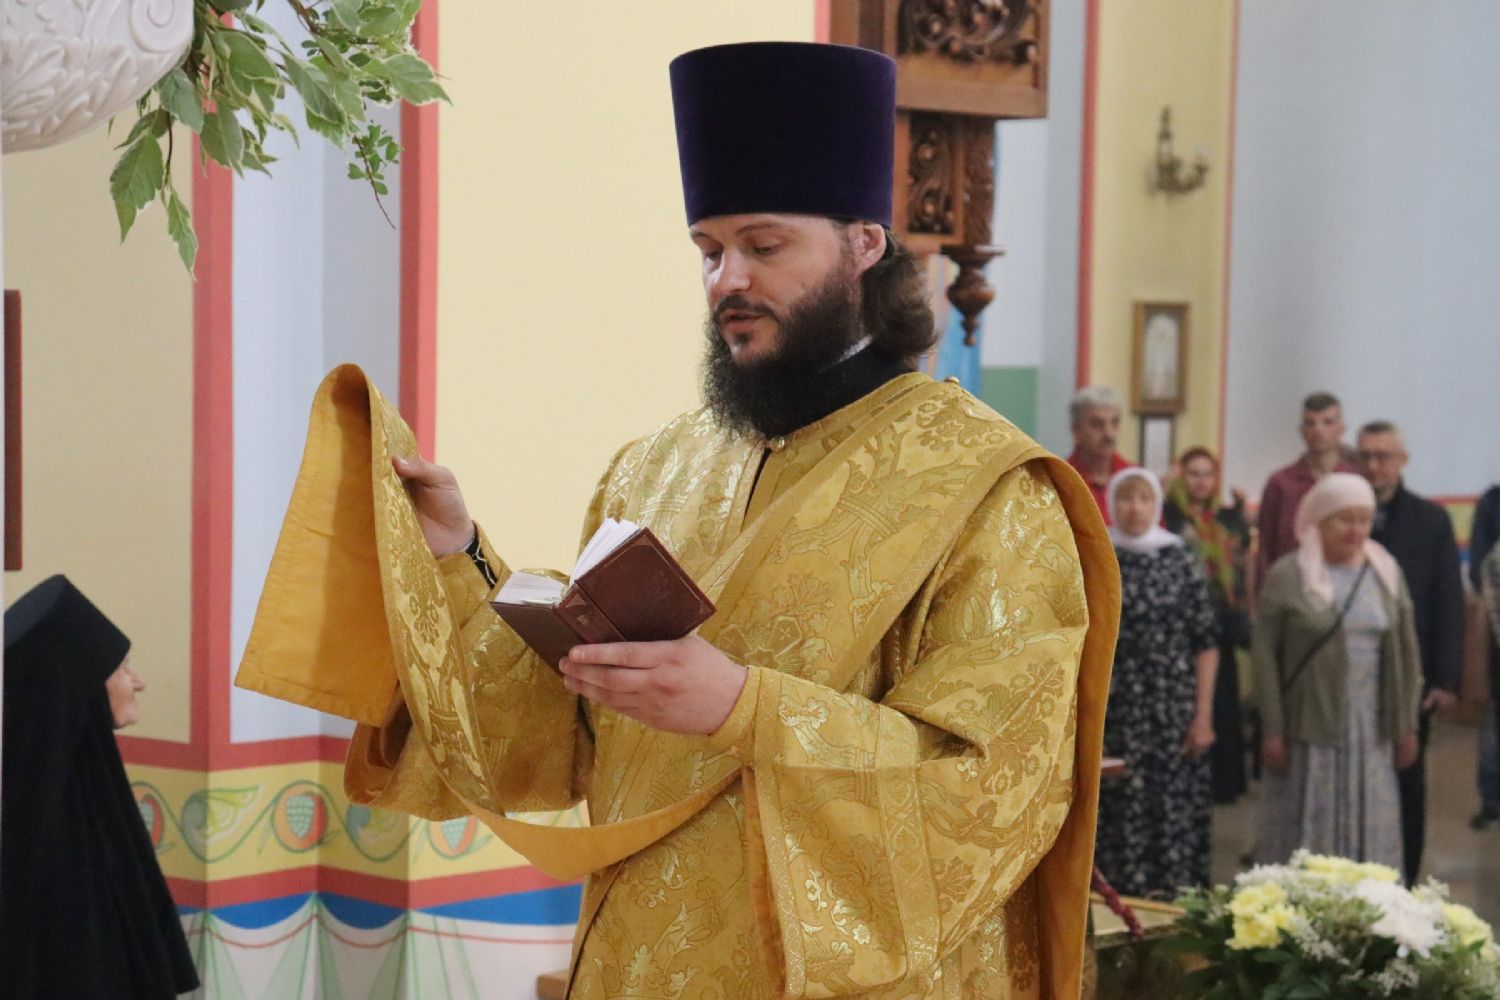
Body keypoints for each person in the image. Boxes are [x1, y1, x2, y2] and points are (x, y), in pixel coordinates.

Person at [237, 42, 1120, 999]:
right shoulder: (655, 468)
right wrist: (457, 555)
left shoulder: (989, 490)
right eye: (708, 251)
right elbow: (564, 731)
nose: (726, 280)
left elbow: (995, 788)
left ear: (865, 244)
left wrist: (745, 709)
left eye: (764, 247)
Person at [1, 575, 200, 998]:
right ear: (82, 686)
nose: (138, 682)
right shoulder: (58, 846)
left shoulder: (88, 794)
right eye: (122, 668)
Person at [1254, 474, 1422, 870]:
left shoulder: (1386, 572)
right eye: (1344, 519)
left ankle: (1367, 901)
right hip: (1310, 726)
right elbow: (1265, 657)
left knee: (1372, 823)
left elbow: (1407, 652)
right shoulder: (1289, 575)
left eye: (1364, 519)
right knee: (1308, 826)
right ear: (1319, 520)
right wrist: (1273, 729)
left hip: (1372, 726)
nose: (1356, 530)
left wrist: (1406, 725)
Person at [1094, 468, 1219, 898]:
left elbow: (1205, 641)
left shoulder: (1179, 557)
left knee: (1171, 801)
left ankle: (1173, 904)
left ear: (1157, 505)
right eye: (1125, 498)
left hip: (1172, 704)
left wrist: (1203, 716)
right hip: (1117, 705)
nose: (1135, 508)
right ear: (1112, 504)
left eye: (1144, 499)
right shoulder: (1098, 555)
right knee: (1119, 799)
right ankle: (1120, 905)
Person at [1356, 419, 1463, 883]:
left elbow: (1447, 601)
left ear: (1402, 461)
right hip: (1352, 670)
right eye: (1366, 456)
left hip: (1410, 672)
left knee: (1407, 776)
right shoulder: (1344, 512)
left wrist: (1446, 678)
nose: (1374, 465)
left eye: (1383, 456)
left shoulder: (1430, 519)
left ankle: (1405, 879)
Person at [1164, 446, 1253, 804]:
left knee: (1223, 700)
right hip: (1182, 625)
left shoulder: (1226, 518)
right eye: (1193, 474)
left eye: (1208, 474)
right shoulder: (1170, 517)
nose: (1201, 481)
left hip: (1221, 620)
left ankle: (1224, 783)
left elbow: (1242, 560)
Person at [1255, 392, 1359, 589]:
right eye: (1310, 423)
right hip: (1291, 587)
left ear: (1341, 429)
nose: (1318, 430)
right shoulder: (1280, 483)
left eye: (1327, 422)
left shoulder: (1354, 481)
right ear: (1301, 431)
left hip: (1343, 585)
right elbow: (1265, 547)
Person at [1470, 484, 1500, 829]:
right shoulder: (1492, 502)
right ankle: (1491, 801)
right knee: (1492, 722)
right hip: (1494, 630)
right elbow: (1480, 567)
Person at [1066, 384, 1131, 521]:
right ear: (1076, 431)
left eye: (1115, 422)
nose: (1109, 433)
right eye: (1097, 424)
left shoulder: (1134, 477)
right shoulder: (1061, 480)